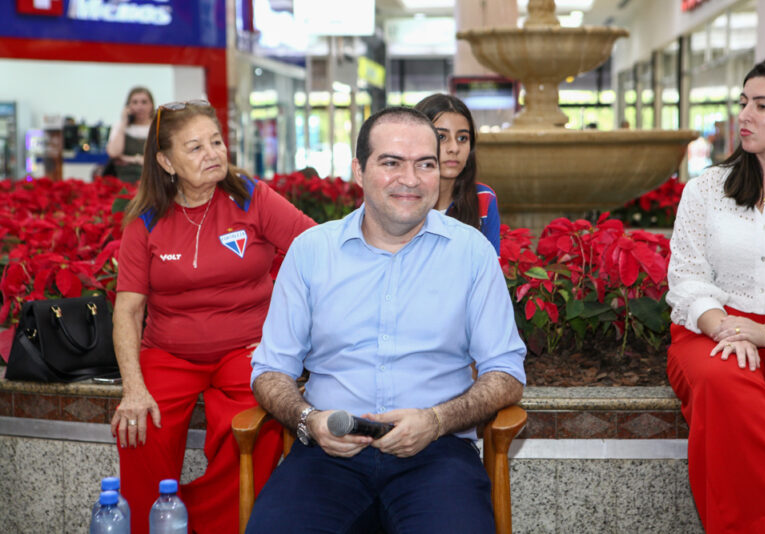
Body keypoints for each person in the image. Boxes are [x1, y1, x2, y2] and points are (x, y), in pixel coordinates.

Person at [246, 106, 526, 533]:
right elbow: (270, 371)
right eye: (391, 162)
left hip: (437, 452)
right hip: (328, 454)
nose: (410, 180)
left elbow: (505, 373)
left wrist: (436, 421)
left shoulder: (471, 254)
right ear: (359, 170)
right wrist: (309, 421)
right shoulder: (311, 253)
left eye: (425, 165)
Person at [111, 100, 315, 534]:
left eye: (217, 142)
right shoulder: (145, 222)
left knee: (257, 422)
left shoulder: (252, 197)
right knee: (138, 425)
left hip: (246, 348)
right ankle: (154, 525)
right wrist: (133, 387)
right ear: (166, 161)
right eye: (196, 147)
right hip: (168, 352)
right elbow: (128, 310)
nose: (213, 154)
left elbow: (316, 250)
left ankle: (207, 523)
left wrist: (288, 331)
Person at [666, 56, 765, 533]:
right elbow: (686, 277)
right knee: (726, 385)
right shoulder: (706, 190)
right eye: (743, 102)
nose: (744, 115)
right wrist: (727, 327)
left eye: (762, 105)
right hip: (709, 332)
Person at [414, 93, 501, 254]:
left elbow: (491, 271)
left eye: (462, 138)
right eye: (441, 137)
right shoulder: (403, 198)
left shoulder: (483, 198)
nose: (454, 148)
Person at [106, 86, 155, 182]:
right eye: (135, 102)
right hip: (124, 181)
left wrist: (125, 158)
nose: (139, 107)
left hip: (152, 180)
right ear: (128, 106)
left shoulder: (157, 127)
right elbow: (114, 153)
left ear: (151, 105)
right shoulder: (120, 126)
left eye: (144, 102)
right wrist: (124, 122)